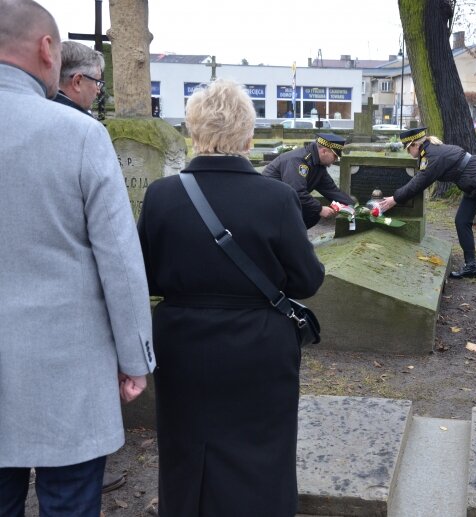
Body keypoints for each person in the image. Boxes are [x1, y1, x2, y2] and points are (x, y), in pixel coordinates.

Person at [138, 78, 324, 516]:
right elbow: (306, 280)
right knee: (262, 448)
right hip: (258, 343)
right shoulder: (277, 198)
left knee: (186, 443)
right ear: (248, 135)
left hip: (181, 340)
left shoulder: (162, 196)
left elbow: (142, 274)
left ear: (193, 132)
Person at [0, 1, 155, 515]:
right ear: (48, 50)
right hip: (65, 372)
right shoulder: (80, 135)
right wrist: (136, 360)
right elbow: (120, 260)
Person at [50, 38, 126, 495]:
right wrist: (135, 359)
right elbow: (115, 252)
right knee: (70, 487)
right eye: (97, 82)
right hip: (70, 332)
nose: (100, 91)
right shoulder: (82, 132)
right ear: (76, 80)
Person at [377, 127, 476, 277]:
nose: (407, 152)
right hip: (471, 183)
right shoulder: (428, 151)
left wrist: (395, 199)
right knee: (461, 221)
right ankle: (471, 267)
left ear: (415, 145)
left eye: (407, 149)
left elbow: (419, 182)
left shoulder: (432, 156)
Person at [262, 133, 354, 228]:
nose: (335, 160)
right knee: (313, 211)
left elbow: (331, 190)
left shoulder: (318, 164)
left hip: (284, 203)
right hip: (269, 205)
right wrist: (319, 208)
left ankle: (292, 237)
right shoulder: (298, 160)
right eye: (335, 156)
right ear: (324, 151)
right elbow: (296, 191)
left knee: (312, 213)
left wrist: (354, 207)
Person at [54, 40, 104, 115]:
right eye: (96, 82)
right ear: (77, 82)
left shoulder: (34, 111)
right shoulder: (87, 125)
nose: (98, 90)